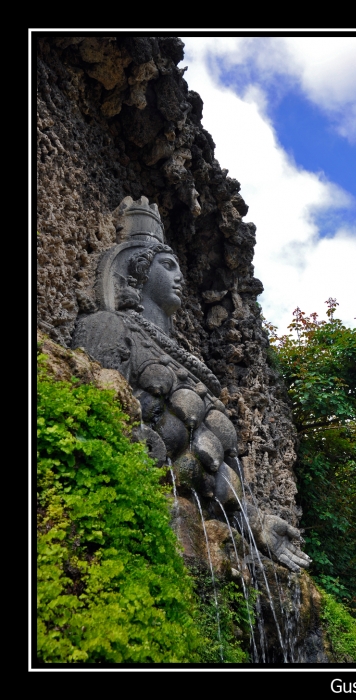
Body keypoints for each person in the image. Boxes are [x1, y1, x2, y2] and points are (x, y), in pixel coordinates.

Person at [72, 196, 311, 573]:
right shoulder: (109, 327)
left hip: (210, 530)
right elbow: (97, 416)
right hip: (139, 513)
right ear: (138, 269)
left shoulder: (199, 373)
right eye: (168, 266)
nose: (180, 277)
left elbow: (218, 465)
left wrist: (256, 521)